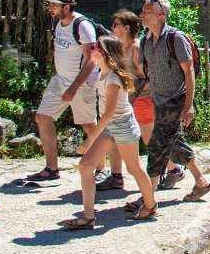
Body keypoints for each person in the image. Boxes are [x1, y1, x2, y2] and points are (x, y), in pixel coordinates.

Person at [59, 35, 158, 229]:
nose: (91, 48)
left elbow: (109, 112)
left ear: (104, 53)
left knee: (134, 168)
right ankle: (88, 217)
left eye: (95, 47)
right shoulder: (101, 74)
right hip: (110, 128)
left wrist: (89, 140)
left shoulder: (112, 78)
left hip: (122, 126)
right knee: (86, 166)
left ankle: (150, 205)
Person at [132, 0, 210, 206]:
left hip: (175, 100)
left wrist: (188, 105)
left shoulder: (176, 39)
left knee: (157, 145)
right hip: (158, 101)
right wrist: (133, 96)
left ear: (160, 14)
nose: (142, 15)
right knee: (175, 142)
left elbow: (189, 73)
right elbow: (145, 74)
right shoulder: (146, 40)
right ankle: (201, 181)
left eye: (146, 12)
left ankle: (148, 198)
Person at [28, 0, 99, 182]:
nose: (50, 8)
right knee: (42, 118)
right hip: (60, 80)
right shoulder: (57, 23)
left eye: (54, 5)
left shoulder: (83, 26)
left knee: (89, 125)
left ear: (67, 7)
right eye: (50, 4)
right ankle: (52, 168)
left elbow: (91, 60)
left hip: (82, 83)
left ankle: (102, 170)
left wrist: (74, 87)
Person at [97, 9, 159, 192]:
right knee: (114, 137)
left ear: (125, 28)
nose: (111, 28)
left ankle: (172, 168)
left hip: (141, 98)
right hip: (124, 100)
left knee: (148, 138)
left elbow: (144, 76)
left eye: (115, 25)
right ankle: (116, 176)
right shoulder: (117, 47)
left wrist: (131, 97)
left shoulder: (137, 47)